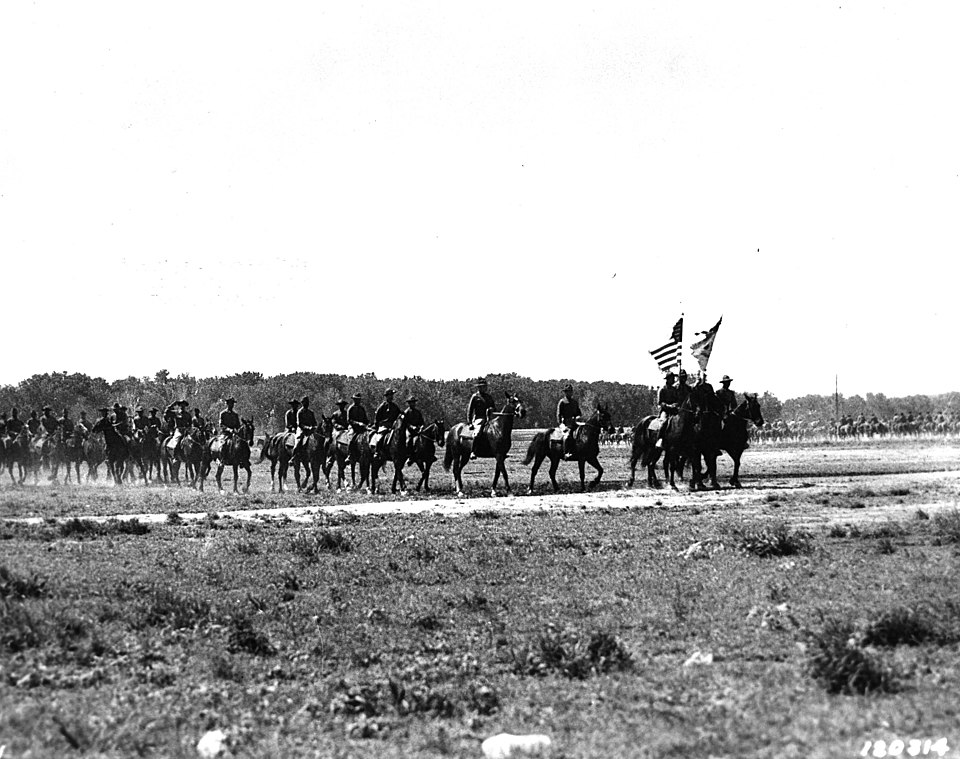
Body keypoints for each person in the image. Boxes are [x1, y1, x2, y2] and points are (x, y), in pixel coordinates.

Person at [655, 371, 681, 449]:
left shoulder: (674, 389)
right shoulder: (662, 389)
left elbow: (677, 400)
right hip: (665, 410)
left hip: (674, 410)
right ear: (667, 379)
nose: (673, 380)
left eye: (674, 378)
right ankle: (660, 439)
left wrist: (675, 404)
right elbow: (660, 402)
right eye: (672, 378)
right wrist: (668, 406)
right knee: (664, 422)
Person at [557, 383, 582, 461]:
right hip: (565, 423)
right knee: (567, 436)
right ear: (565, 392)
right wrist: (561, 424)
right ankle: (566, 452)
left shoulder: (574, 402)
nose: (569, 393)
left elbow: (579, 414)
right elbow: (558, 414)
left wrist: (577, 418)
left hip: (574, 422)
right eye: (567, 391)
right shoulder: (562, 402)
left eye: (570, 391)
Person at [401, 396, 425, 465]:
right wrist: (412, 427)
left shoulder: (418, 412)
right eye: (411, 403)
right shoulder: (406, 412)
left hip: (418, 430)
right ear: (409, 403)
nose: (413, 404)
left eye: (414, 402)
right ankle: (410, 456)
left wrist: (422, 427)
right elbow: (406, 423)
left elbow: (422, 421)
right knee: (409, 441)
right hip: (409, 430)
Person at [346, 393, 368, 461]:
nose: (358, 401)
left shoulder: (362, 408)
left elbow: (365, 418)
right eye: (356, 399)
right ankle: (350, 455)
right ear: (354, 400)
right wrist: (358, 423)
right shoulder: (351, 408)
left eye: (359, 399)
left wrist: (367, 424)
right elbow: (349, 420)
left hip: (362, 427)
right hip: (353, 427)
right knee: (351, 439)